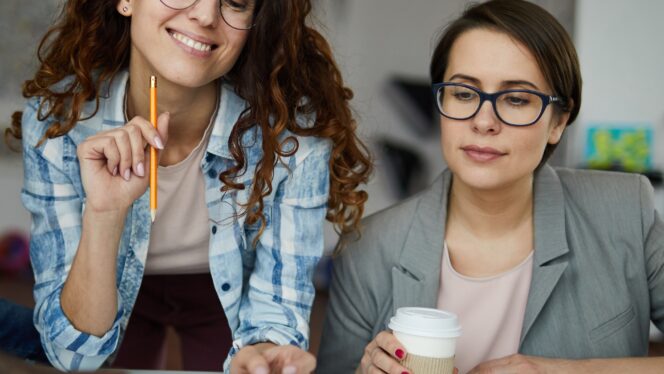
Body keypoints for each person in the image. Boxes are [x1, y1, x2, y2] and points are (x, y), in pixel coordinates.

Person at [8, 0, 371, 372]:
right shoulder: (57, 124)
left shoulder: (294, 138)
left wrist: (264, 350)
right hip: (117, 288)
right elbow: (73, 357)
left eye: (235, 2)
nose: (206, 15)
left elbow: (277, 313)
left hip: (223, 293)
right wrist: (104, 213)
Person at [317, 1, 664, 373]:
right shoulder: (368, 247)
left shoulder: (626, 211)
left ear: (558, 122)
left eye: (515, 99)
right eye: (464, 94)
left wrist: (562, 371)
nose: (484, 122)